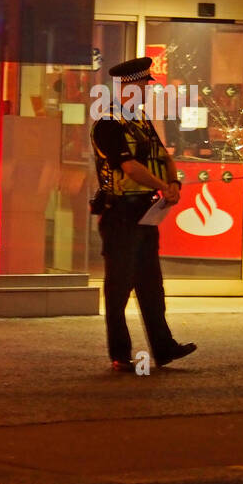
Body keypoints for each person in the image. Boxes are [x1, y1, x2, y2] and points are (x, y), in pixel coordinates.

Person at [90, 56, 197, 372]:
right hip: (120, 214)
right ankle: (120, 354)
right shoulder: (108, 123)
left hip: (146, 212)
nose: (147, 91)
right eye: (142, 86)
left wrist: (173, 184)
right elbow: (130, 167)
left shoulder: (141, 121)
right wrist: (164, 186)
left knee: (151, 285)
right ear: (126, 87)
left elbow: (164, 157)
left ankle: (164, 348)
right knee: (119, 288)